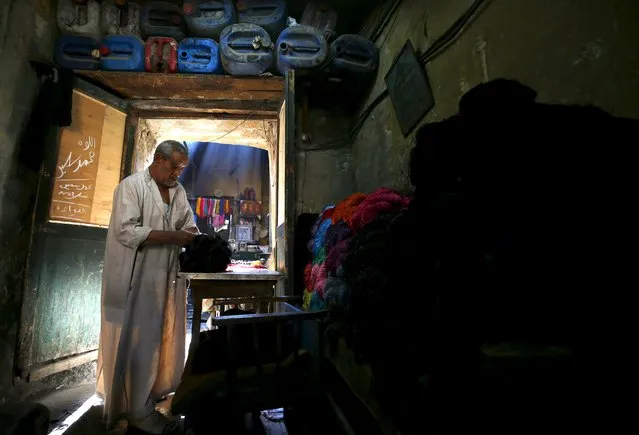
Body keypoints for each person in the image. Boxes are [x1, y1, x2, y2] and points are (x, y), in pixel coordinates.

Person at [96, 140, 198, 434]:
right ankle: (133, 407)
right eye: (175, 166)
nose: (178, 173)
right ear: (158, 159)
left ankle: (151, 397)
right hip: (136, 276)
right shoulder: (131, 187)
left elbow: (188, 226)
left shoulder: (177, 191)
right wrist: (171, 237)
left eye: (182, 168)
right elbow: (126, 231)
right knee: (135, 342)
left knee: (157, 340)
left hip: (165, 276)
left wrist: (185, 235)